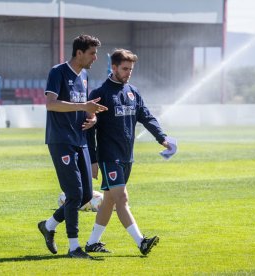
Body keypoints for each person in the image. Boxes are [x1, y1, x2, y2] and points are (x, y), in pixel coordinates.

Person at [85, 49, 171, 255]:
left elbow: (147, 117)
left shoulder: (133, 92)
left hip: (127, 157)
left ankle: (92, 243)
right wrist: (93, 160)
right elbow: (89, 130)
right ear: (113, 67)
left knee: (109, 201)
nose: (128, 73)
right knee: (122, 199)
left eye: (130, 69)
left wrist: (162, 138)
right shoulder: (99, 94)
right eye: (124, 69)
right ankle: (141, 242)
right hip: (109, 157)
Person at [38, 34, 108, 259]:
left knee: (86, 194)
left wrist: (92, 116)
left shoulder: (84, 76)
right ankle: (74, 247)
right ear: (79, 53)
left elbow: (85, 107)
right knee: (74, 193)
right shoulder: (57, 72)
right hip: (61, 140)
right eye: (92, 53)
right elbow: (51, 104)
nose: (95, 58)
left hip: (80, 140)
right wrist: (83, 105)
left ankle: (48, 226)